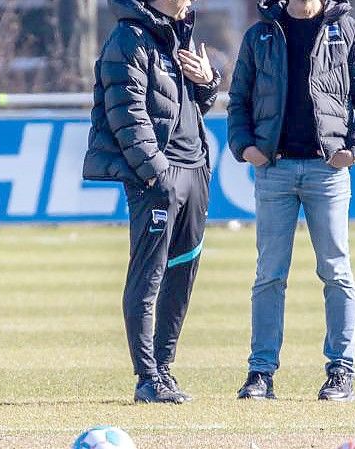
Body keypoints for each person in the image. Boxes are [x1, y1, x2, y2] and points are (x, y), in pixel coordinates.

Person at [228, 0, 355, 401]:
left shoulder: (348, 31)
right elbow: (238, 100)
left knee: (336, 270)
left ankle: (341, 370)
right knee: (269, 275)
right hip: (274, 170)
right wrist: (246, 147)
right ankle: (260, 373)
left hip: (327, 171)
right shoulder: (261, 33)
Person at [82, 0, 220, 404]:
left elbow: (195, 105)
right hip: (160, 177)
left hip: (196, 170)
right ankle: (146, 376)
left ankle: (164, 369)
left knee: (182, 272)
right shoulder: (128, 38)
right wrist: (156, 173)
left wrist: (208, 81)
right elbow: (127, 114)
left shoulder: (182, 33)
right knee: (150, 274)